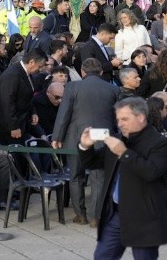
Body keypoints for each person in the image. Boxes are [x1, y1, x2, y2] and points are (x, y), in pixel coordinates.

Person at [78, 97, 167, 259]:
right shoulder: (118, 139)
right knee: (102, 256)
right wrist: (85, 147)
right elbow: (93, 163)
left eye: (125, 119)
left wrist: (124, 153)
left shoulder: (161, 143)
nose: (120, 123)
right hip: (115, 213)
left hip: (144, 215)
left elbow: (151, 172)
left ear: (141, 117)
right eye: (118, 119)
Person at [52, 58, 121, 226]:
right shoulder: (113, 89)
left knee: (76, 176)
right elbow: (116, 117)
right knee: (99, 178)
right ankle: (95, 217)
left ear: (82, 71)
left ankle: (80, 214)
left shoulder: (72, 87)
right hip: (103, 137)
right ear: (101, 72)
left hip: (77, 136)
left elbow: (64, 114)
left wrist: (57, 137)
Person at [0, 48, 47, 144]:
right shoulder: (12, 74)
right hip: (6, 125)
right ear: (32, 62)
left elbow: (27, 95)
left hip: (20, 121)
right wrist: (13, 127)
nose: (40, 70)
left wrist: (33, 112)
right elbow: (7, 102)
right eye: (39, 67)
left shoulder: (27, 73)